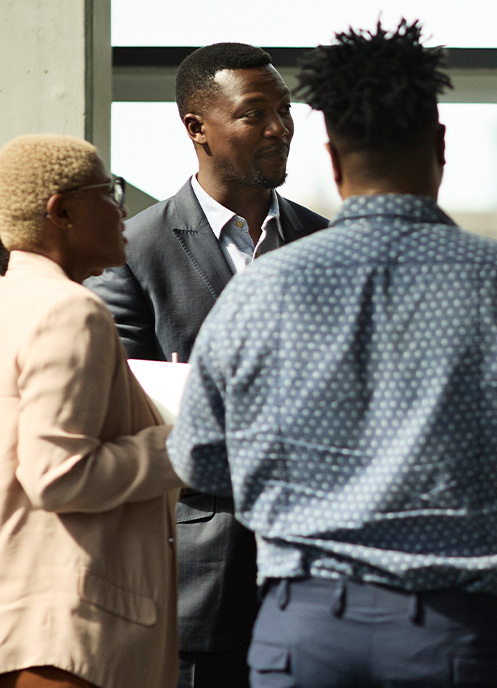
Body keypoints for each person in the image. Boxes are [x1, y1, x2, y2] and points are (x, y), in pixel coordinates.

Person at [167, 20, 497, 688]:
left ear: (334, 160)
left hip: (305, 634)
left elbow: (198, 461)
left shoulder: (258, 294)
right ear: (440, 147)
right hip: (468, 636)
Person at [84, 42, 329, 688]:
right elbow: (127, 410)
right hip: (200, 573)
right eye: (255, 114)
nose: (280, 128)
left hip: (320, 577)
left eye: (284, 110)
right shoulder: (134, 250)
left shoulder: (327, 246)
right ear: (197, 128)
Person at [0, 134, 184, 688]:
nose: (123, 209)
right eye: (110, 192)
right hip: (65, 641)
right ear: (62, 211)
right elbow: (59, 474)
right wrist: (188, 441)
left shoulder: (13, 301)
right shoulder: (70, 310)